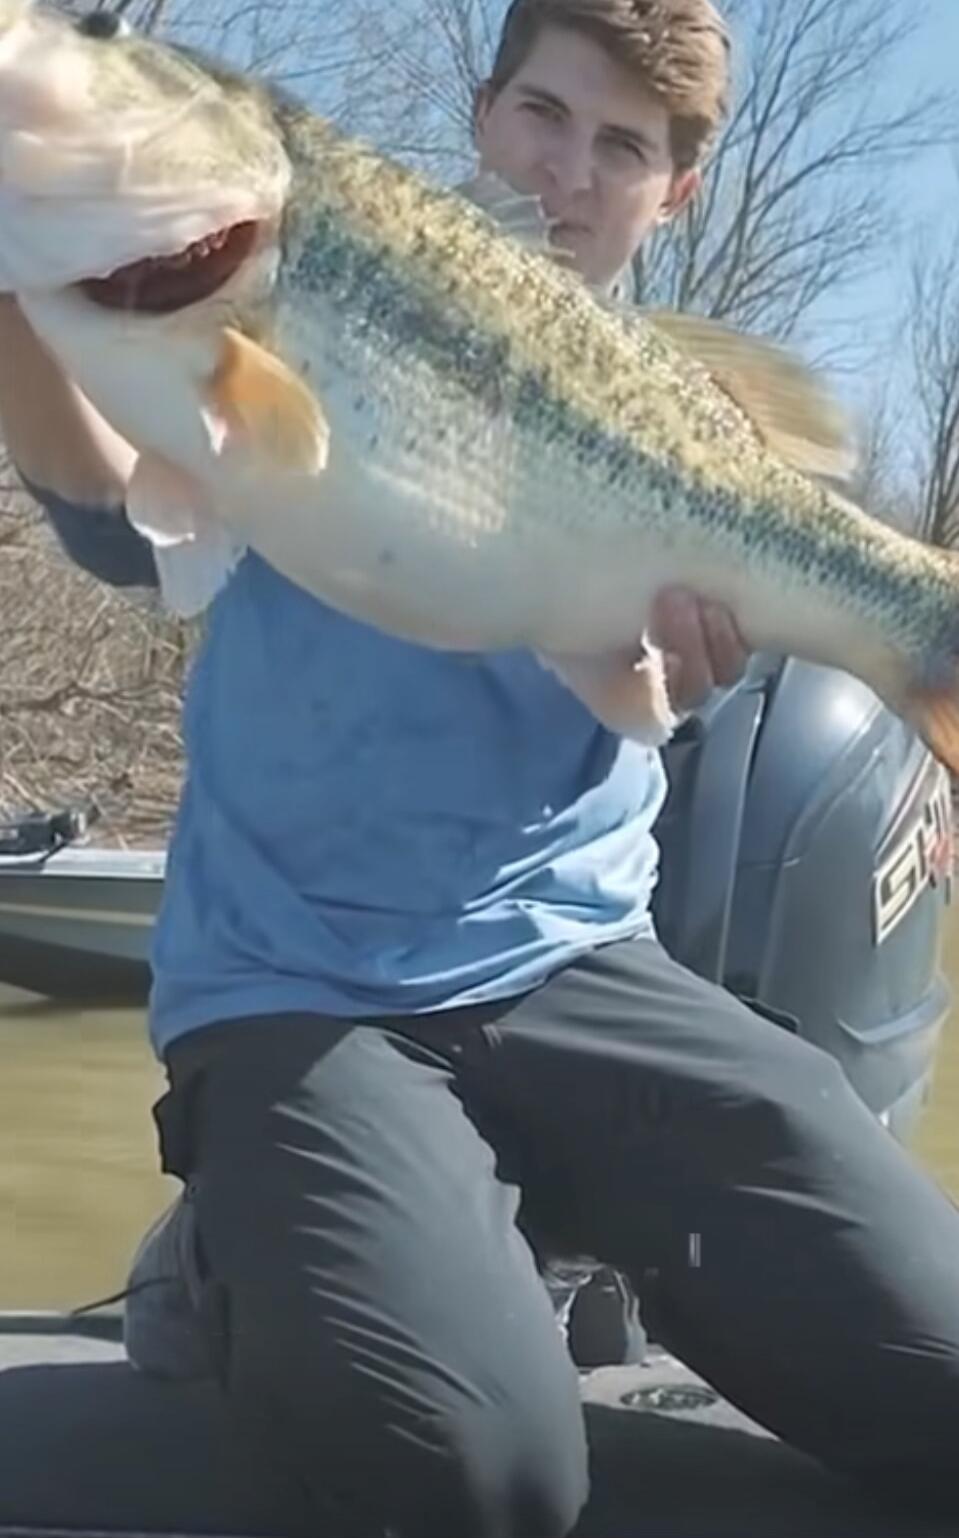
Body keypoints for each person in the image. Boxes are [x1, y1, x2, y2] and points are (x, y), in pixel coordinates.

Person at [4, 2, 959, 1534]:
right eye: (542, 115)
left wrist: (696, 666)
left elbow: (647, 691)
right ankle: (235, 1244)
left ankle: (499, 1211)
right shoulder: (315, 279)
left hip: (581, 963)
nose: (571, 172)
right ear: (485, 109)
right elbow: (125, 525)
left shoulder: (674, 399)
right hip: (298, 991)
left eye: (622, 146)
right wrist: (15, 293)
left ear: (676, 193)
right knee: (484, 1478)